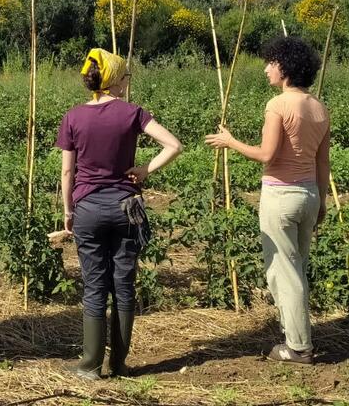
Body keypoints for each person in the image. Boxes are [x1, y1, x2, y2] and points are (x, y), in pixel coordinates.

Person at [57, 48, 183, 379]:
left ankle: (90, 365)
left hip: (88, 208)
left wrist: (68, 210)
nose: (128, 81)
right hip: (127, 209)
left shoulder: (73, 117)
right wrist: (144, 169)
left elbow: (67, 173)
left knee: (95, 285)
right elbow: (174, 145)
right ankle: (119, 364)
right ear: (116, 80)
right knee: (123, 284)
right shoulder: (132, 113)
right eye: (126, 76)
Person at [204, 36, 330, 365]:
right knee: (297, 269)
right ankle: (295, 335)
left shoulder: (278, 105)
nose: (266, 69)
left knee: (282, 272)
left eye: (270, 63)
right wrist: (323, 201)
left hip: (281, 195)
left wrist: (230, 142)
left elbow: (267, 154)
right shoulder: (319, 108)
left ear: (285, 67)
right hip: (310, 195)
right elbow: (323, 162)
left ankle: (298, 348)